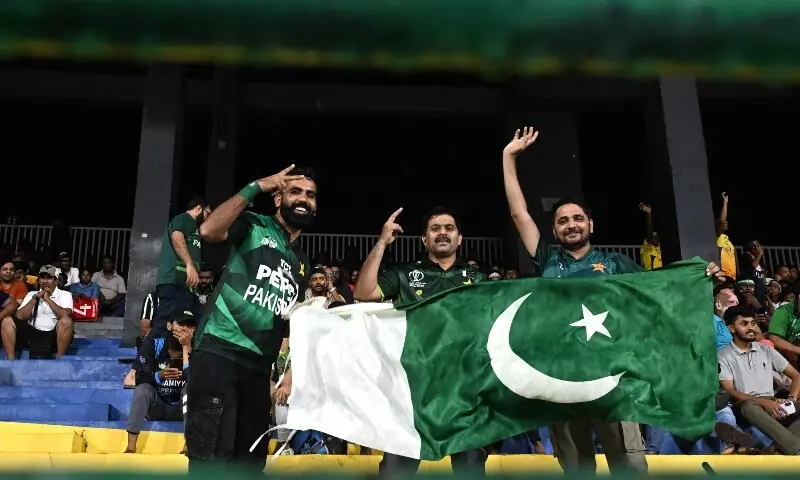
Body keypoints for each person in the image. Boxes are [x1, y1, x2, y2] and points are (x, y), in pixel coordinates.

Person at [501, 126, 724, 474]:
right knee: (576, 468)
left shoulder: (618, 264)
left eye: (577, 218)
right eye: (562, 221)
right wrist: (508, 157)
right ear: (555, 231)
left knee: (630, 465)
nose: (570, 225)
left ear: (591, 223)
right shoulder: (547, 259)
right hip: (563, 380)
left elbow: (660, 292)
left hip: (614, 379)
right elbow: (519, 214)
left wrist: (698, 277)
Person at [186, 164, 315, 472]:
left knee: (250, 464)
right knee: (212, 459)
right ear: (278, 198)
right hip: (220, 351)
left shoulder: (301, 262)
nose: (304, 199)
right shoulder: (254, 225)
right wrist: (257, 185)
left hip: (259, 369)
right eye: (295, 191)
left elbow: (286, 321)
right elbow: (209, 230)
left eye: (311, 195)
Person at [353, 206, 488, 478]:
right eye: (435, 229)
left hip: (463, 391)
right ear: (424, 240)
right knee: (395, 470)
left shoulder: (478, 279)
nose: (442, 233)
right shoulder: (404, 273)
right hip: (412, 389)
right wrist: (382, 243)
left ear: (459, 239)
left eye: (449, 228)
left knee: (470, 468)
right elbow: (364, 292)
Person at [125, 310, 195, 453]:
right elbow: (140, 377)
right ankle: (131, 447)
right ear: (169, 326)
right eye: (181, 324)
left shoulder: (199, 347)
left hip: (184, 408)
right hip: (158, 405)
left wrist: (186, 347)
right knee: (143, 389)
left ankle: (188, 446)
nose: (184, 329)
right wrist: (159, 376)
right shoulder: (155, 342)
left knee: (191, 389)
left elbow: (198, 382)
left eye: (189, 325)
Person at [151, 197, 213, 336]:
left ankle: (188, 355)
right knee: (164, 323)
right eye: (207, 213)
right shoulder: (184, 219)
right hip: (174, 281)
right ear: (198, 208)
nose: (208, 217)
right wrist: (189, 264)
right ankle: (147, 357)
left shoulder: (194, 227)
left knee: (198, 320)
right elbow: (177, 236)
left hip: (187, 285)